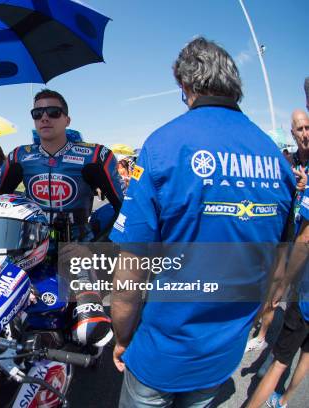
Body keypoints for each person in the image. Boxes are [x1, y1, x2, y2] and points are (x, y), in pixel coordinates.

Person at [110, 37, 296, 408]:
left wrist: (122, 335)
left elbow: (131, 269)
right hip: (222, 352)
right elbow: (276, 271)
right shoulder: (277, 160)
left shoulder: (163, 145)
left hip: (160, 354)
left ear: (186, 86)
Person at [0, 89, 124, 347]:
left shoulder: (96, 156)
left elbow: (125, 208)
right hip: (30, 249)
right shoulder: (19, 157)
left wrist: (96, 249)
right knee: (6, 321)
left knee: (89, 330)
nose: (45, 118)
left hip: (77, 248)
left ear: (67, 119)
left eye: (53, 112)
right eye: (37, 113)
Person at [246, 189, 309, 408]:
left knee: (280, 362)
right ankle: (283, 401)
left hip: (306, 297)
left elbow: (305, 238)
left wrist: (284, 282)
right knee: (307, 354)